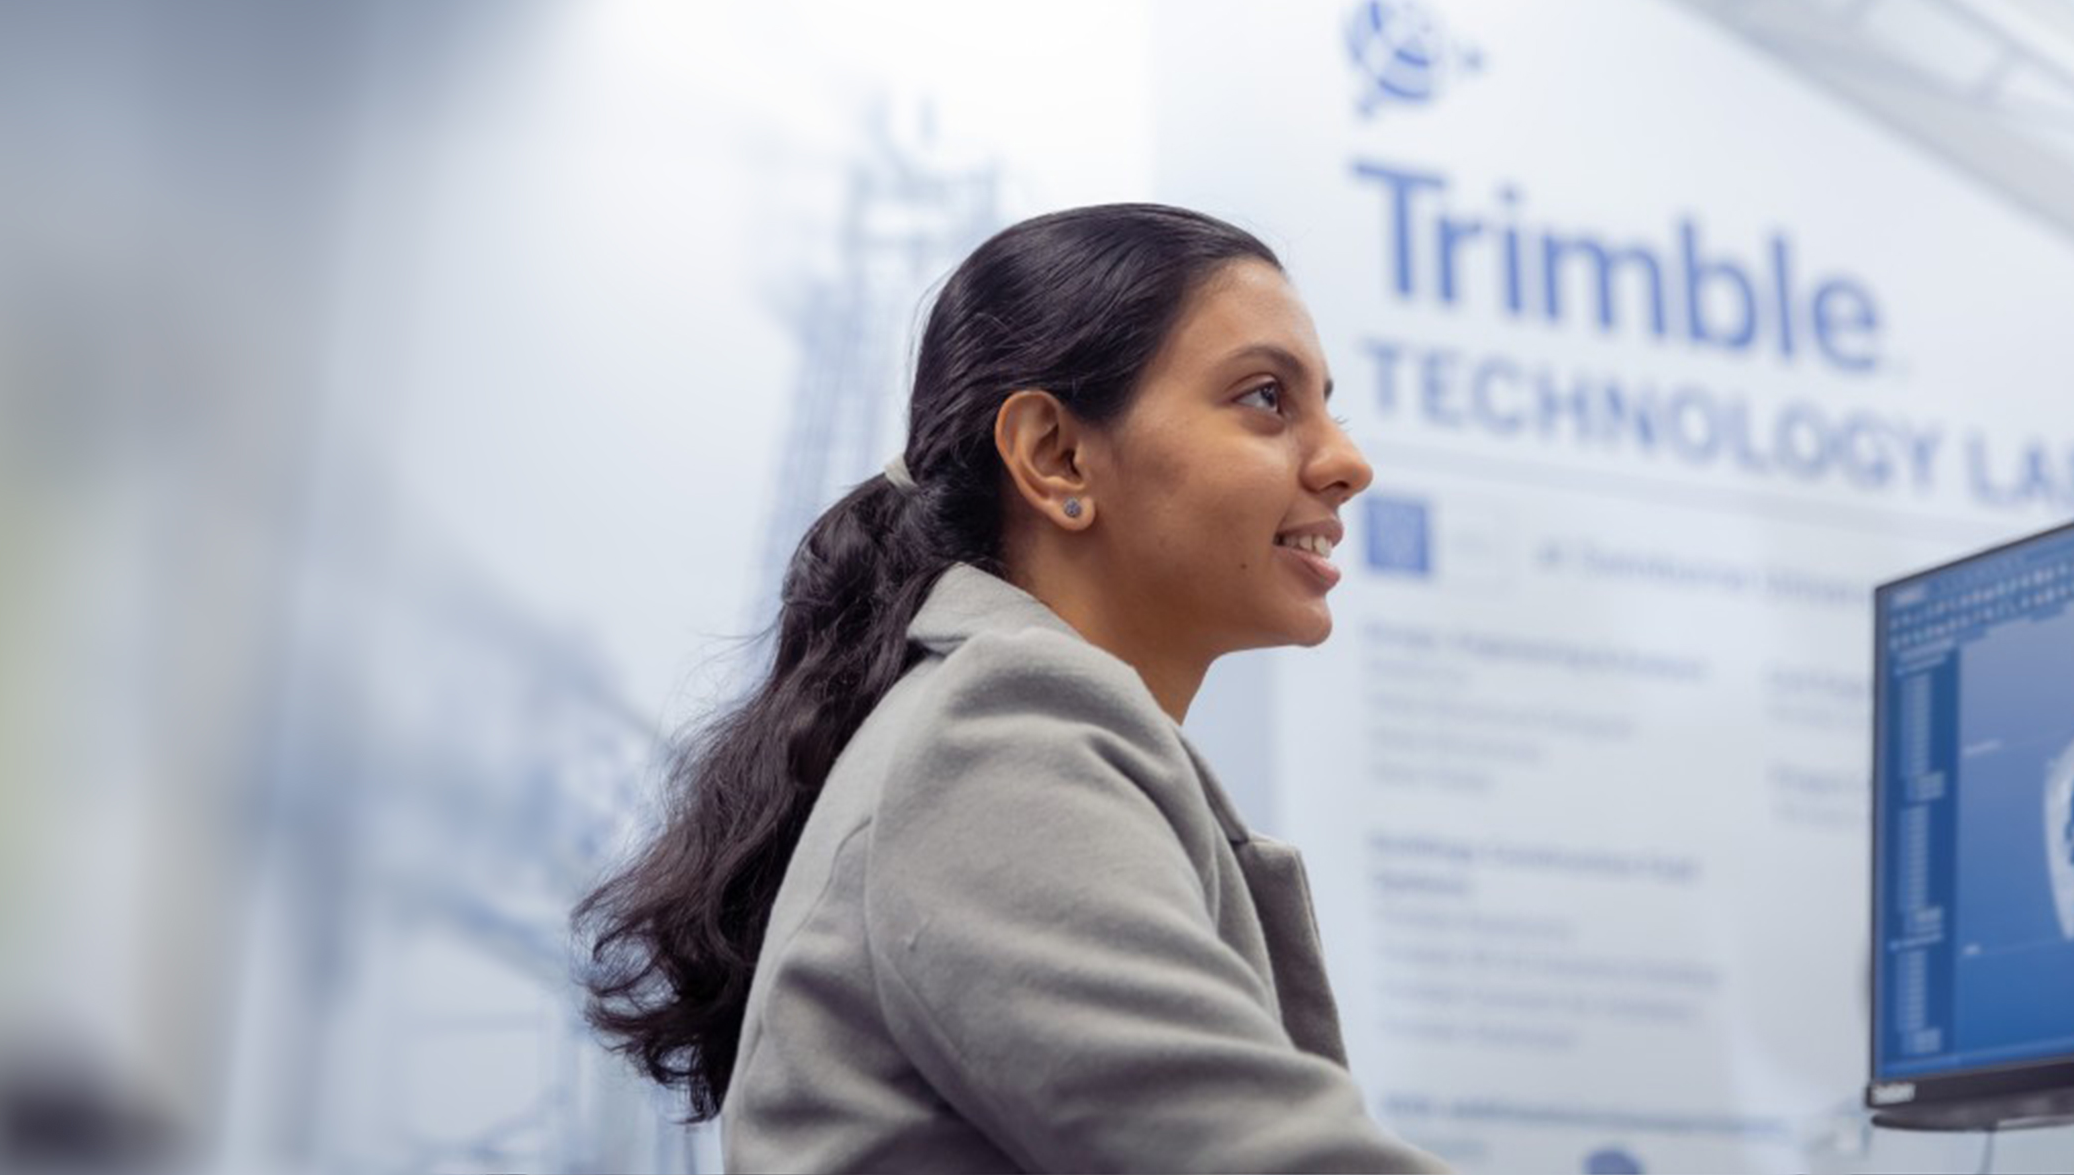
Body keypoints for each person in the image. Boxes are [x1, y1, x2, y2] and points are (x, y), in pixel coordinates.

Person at [575, 203, 1449, 1173]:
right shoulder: (1003, 733)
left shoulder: (1005, 730)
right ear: (1055, 456)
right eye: (1266, 398)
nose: (1348, 463)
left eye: (1329, 407)